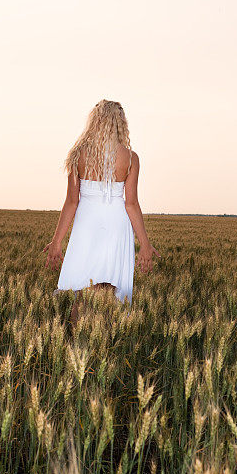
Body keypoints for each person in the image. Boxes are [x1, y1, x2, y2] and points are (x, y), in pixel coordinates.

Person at [43, 99, 160, 325]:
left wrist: (57, 242)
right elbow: (131, 204)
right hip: (116, 224)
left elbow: (71, 202)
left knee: (83, 289)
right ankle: (104, 341)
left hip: (87, 224)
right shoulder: (130, 158)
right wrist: (145, 243)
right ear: (120, 123)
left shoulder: (78, 154)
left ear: (94, 121)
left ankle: (75, 339)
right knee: (109, 287)